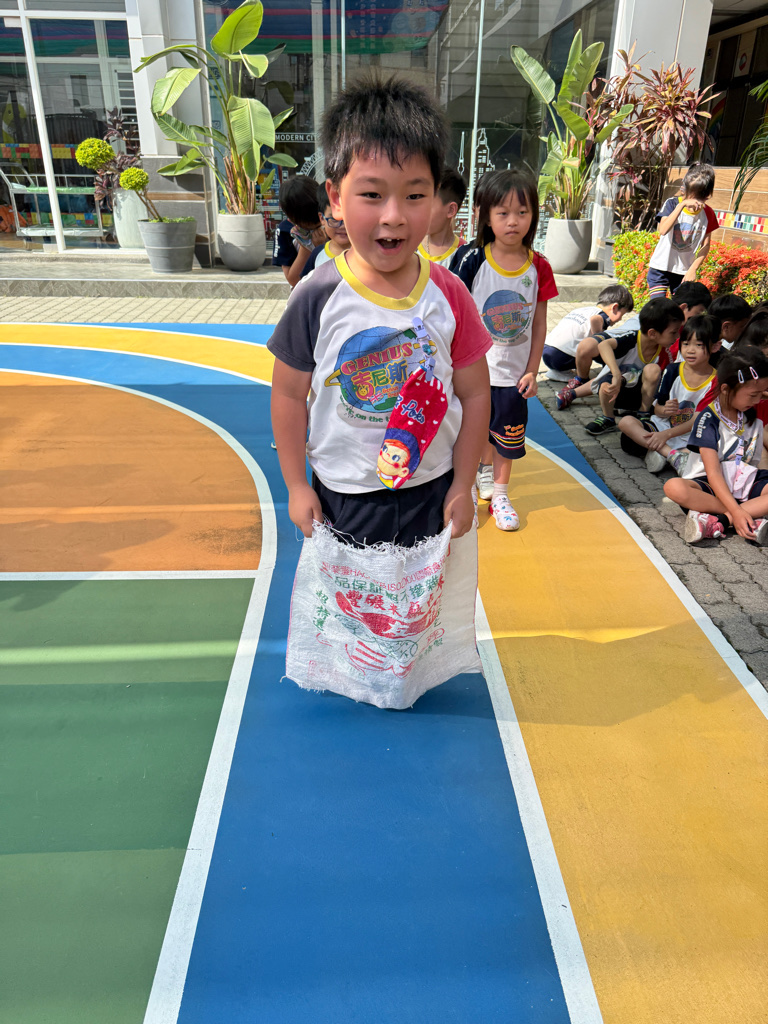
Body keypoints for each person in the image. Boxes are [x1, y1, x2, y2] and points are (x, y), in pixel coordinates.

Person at [268, 74, 491, 550]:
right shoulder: (315, 295)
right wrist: (296, 485)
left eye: (414, 195)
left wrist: (462, 483)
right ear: (335, 198)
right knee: (354, 599)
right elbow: (288, 394)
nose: (394, 215)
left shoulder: (451, 294)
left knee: (428, 598)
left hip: (433, 488)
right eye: (372, 194)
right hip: (343, 496)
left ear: (436, 197)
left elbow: (475, 395)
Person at [452, 168, 558, 530]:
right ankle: (466, 487)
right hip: (472, 375)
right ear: (486, 216)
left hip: (513, 377)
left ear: (534, 216)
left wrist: (532, 370)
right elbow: (454, 314)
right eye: (503, 213)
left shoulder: (539, 266)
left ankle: (499, 495)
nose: (513, 221)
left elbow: (539, 323)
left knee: (507, 440)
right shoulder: (471, 260)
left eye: (522, 212)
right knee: (471, 433)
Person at [663, 347, 768, 545]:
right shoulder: (708, 419)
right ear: (726, 389)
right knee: (674, 487)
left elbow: (753, 467)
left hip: (745, 483)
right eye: (753, 395)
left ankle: (721, 521)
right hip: (710, 487)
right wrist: (736, 510)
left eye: (762, 394)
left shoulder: (755, 413)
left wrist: (734, 513)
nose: (758, 400)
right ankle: (748, 516)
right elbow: (713, 473)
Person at [556, 297, 684, 434]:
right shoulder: (631, 339)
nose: (677, 336)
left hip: (645, 397)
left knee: (652, 370)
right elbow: (604, 345)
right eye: (673, 332)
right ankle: (608, 418)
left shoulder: (665, 349)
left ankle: (643, 414)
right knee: (607, 382)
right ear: (652, 333)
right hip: (616, 393)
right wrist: (616, 375)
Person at [563, 280, 711, 392]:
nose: (698, 318)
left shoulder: (680, 331)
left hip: (636, 363)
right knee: (586, 347)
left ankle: (578, 392)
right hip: (621, 343)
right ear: (684, 307)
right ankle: (581, 379)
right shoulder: (660, 316)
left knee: (617, 378)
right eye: (698, 312)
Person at [617, 313, 719, 474]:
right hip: (661, 427)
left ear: (715, 346)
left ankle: (662, 453)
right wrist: (665, 411)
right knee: (626, 422)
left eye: (699, 345)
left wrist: (666, 435)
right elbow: (657, 409)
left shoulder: (716, 380)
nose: (690, 350)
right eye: (686, 344)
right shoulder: (673, 371)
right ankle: (672, 455)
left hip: (690, 434)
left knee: (711, 449)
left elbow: (698, 419)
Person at [646, 163, 718, 299]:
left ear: (707, 195)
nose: (695, 201)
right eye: (692, 195)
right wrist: (682, 205)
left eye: (700, 196)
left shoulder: (708, 213)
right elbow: (663, 230)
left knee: (681, 308)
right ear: (685, 189)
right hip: (660, 268)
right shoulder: (672, 203)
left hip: (683, 272)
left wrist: (693, 269)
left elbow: (706, 245)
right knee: (659, 307)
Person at [542, 284, 634, 382]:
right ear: (614, 307)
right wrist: (599, 338)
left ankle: (559, 371)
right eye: (622, 314)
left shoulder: (583, 310)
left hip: (547, 352)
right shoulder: (602, 316)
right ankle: (582, 379)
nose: (620, 319)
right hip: (562, 357)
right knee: (598, 346)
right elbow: (595, 319)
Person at [273, 175, 327, 288]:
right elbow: (293, 280)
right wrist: (307, 247)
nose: (317, 223)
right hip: (304, 292)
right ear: (290, 218)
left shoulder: (332, 223)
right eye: (308, 225)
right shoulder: (284, 231)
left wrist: (324, 247)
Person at [299, 182, 351, 278]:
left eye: (349, 218)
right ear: (322, 218)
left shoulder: (368, 255)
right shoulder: (317, 255)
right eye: (334, 219)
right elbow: (306, 285)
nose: (343, 226)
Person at [418, 168, 466, 266]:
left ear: (451, 210)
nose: (421, 212)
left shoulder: (466, 257)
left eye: (428, 206)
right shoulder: (410, 248)